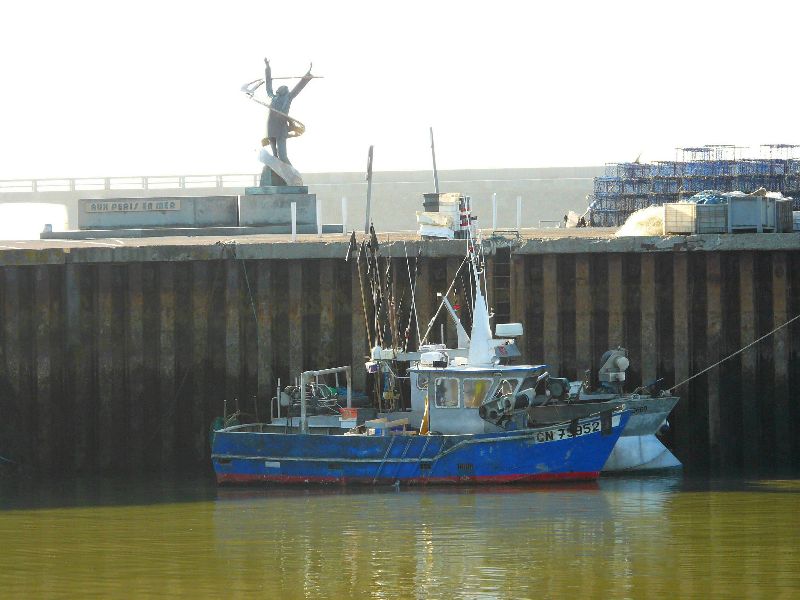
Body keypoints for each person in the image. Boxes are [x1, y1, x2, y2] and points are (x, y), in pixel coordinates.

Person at [264, 58, 313, 165]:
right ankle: (277, 171)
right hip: (271, 125)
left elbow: (298, 88)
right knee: (275, 155)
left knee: (283, 156)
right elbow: (268, 84)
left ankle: (292, 175)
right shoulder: (273, 97)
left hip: (281, 126)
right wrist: (267, 67)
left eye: (282, 89)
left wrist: (307, 76)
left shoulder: (288, 97)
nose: (279, 90)